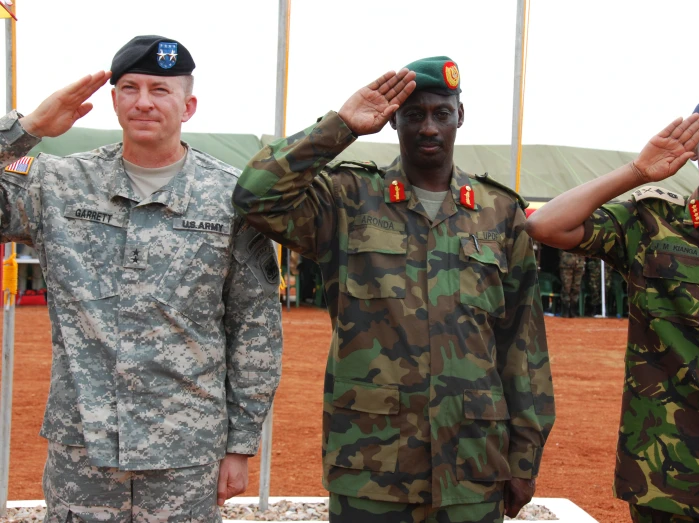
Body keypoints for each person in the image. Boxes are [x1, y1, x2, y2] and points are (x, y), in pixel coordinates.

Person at [233, 57, 555, 522]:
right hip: (372, 466)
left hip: (473, 465)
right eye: (414, 114)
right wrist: (341, 125)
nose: (428, 127)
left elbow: (522, 345)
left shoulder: (500, 213)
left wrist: (524, 457)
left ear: (459, 116)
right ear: (393, 120)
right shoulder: (347, 198)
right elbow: (255, 196)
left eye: (441, 113)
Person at [0, 35, 282, 521]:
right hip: (82, 452)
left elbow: (255, 325)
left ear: (188, 106)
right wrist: (26, 129)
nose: (144, 102)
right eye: (129, 88)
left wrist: (240, 442)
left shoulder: (230, 197)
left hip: (186, 455)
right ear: (113, 100)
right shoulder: (59, 184)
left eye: (160, 90)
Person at [526, 84, 699, 522]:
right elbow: (546, 225)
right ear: (695, 149)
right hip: (671, 479)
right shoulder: (650, 225)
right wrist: (637, 172)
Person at [558, 251, 585, 317]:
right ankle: (565, 310)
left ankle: (573, 310)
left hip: (579, 263)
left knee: (576, 287)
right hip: (566, 263)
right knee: (566, 287)